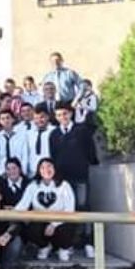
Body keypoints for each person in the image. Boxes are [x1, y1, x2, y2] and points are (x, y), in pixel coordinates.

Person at [49, 103, 98, 258]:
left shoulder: (81, 131)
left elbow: (91, 152)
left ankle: (88, 243)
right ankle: (67, 243)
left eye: (64, 114)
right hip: (63, 179)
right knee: (65, 210)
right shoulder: (54, 134)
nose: (62, 117)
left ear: (70, 114)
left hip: (80, 176)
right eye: (58, 115)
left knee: (83, 207)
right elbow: (53, 156)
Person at [15, 158, 76, 262]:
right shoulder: (33, 185)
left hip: (60, 222)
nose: (46, 170)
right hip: (41, 222)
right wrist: (11, 213)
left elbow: (70, 208)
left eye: (49, 167)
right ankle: (44, 246)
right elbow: (23, 204)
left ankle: (63, 248)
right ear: (39, 170)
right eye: (42, 167)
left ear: (54, 168)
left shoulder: (64, 185)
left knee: (67, 226)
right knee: (29, 226)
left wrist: (54, 224)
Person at [0, 110, 29, 178]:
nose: (6, 121)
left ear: (13, 119)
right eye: (3, 119)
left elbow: (25, 155)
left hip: (19, 172)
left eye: (8, 118)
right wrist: (1, 172)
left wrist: (22, 171)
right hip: (3, 173)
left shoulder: (21, 136)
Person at [28, 102, 55, 177]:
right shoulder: (29, 134)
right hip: (32, 171)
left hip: (50, 171)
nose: (39, 120)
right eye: (36, 118)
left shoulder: (54, 132)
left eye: (42, 117)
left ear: (48, 117)